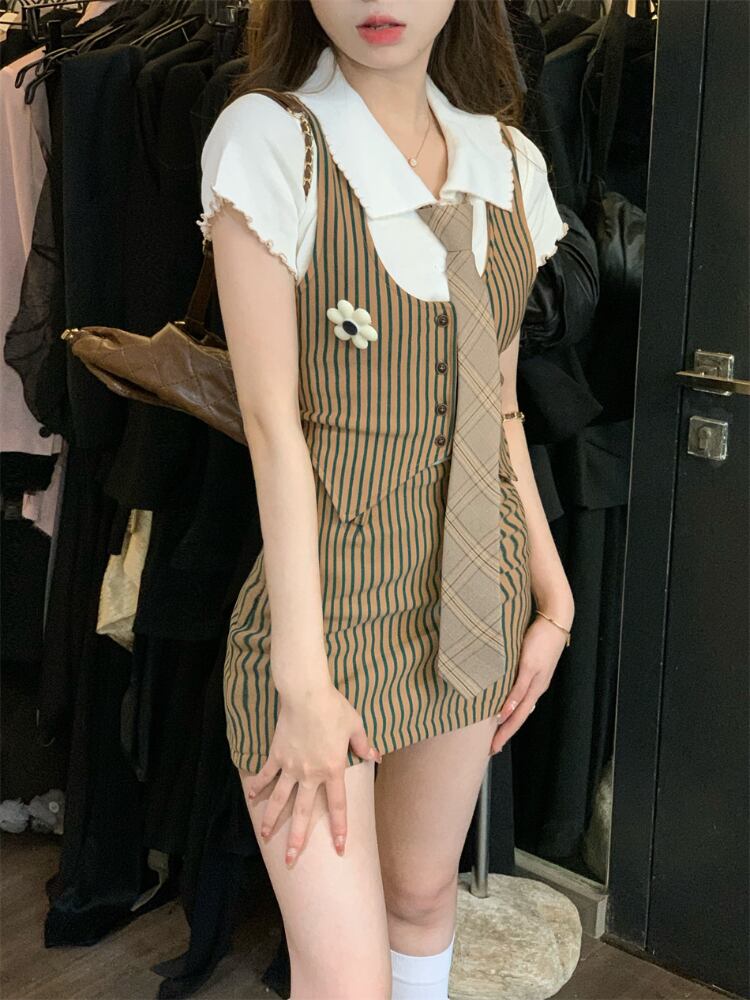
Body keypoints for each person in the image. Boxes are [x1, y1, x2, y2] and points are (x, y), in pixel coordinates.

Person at [197, 1, 574, 996]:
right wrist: (301, 681)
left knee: (422, 897)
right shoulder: (272, 146)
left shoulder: (507, 163)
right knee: (344, 977)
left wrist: (553, 595)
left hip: (475, 594)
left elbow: (499, 409)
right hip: (324, 622)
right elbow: (272, 428)